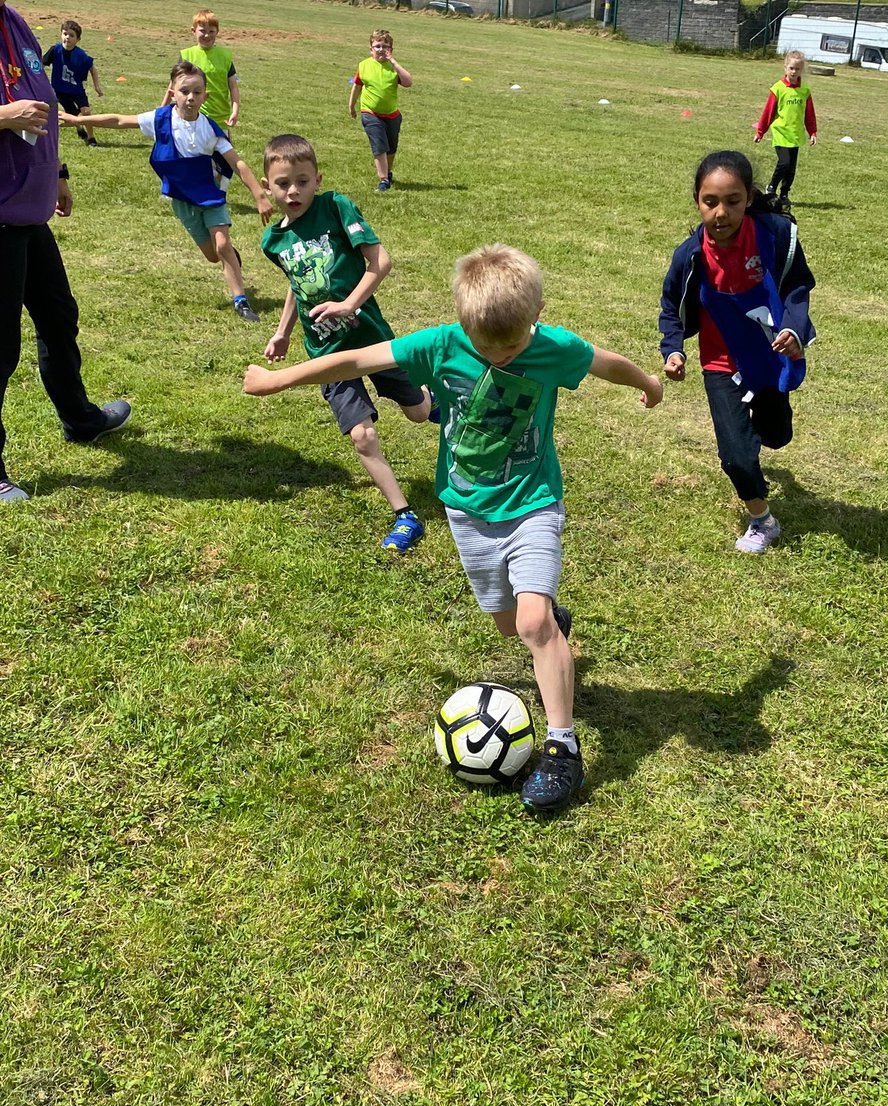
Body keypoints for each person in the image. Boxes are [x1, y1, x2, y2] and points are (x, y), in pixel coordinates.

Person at [244, 244, 663, 813]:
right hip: (466, 509)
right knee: (509, 625)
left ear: (536, 313)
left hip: (533, 500)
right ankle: (548, 628)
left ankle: (563, 748)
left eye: (510, 347)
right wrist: (277, 380)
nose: (500, 356)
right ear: (463, 323)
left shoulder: (552, 348)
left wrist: (648, 383)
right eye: (487, 348)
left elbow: (605, 362)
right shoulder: (440, 343)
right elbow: (355, 361)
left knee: (533, 622)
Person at [257, 134, 433, 553]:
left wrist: (349, 304)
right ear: (268, 187)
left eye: (302, 180)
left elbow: (380, 262)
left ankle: (434, 399)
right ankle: (405, 515)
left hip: (372, 341)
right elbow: (299, 285)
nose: (293, 190)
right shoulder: (273, 241)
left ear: (317, 179)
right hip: (327, 353)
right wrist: (283, 331)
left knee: (418, 412)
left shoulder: (336, 207)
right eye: (282, 183)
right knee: (362, 436)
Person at [0, 0, 130, 504]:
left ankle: (81, 420)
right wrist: (4, 115)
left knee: (58, 318)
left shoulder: (14, 22)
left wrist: (57, 173)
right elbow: (18, 109)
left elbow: (44, 103)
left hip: (29, 212)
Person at [659, 150, 816, 554]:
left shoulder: (775, 235)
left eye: (732, 200)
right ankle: (762, 520)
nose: (721, 212)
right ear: (697, 200)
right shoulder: (689, 255)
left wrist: (794, 330)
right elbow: (670, 308)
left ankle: (766, 430)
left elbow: (798, 286)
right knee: (735, 455)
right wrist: (673, 350)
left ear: (748, 198)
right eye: (710, 201)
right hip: (720, 362)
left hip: (767, 354)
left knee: (776, 436)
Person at [62, 61, 272, 322]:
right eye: (185, 91)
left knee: (222, 245)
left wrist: (259, 195)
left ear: (205, 95)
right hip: (182, 199)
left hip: (211, 195)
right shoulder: (160, 119)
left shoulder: (211, 130)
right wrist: (79, 119)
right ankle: (228, 257)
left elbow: (237, 163)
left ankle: (241, 301)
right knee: (212, 255)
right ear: (173, 93)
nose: (191, 98)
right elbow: (119, 120)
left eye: (197, 92)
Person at [754, 49, 817, 213]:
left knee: (791, 168)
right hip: (781, 132)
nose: (794, 72)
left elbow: (809, 114)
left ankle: (784, 194)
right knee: (784, 162)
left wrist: (812, 132)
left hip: (795, 134)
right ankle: (771, 187)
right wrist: (760, 132)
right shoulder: (778, 88)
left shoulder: (805, 90)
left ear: (801, 70)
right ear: (785, 68)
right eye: (791, 68)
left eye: (797, 69)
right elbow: (768, 112)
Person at [349, 29, 412, 193]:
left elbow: (408, 82)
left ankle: (388, 172)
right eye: (377, 46)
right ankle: (383, 180)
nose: (381, 49)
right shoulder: (364, 65)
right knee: (379, 146)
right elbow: (357, 86)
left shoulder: (393, 68)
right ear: (371, 49)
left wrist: (394, 63)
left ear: (391, 50)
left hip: (392, 115)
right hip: (370, 113)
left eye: (385, 46)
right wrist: (352, 106)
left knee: (391, 148)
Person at [162, 8, 239, 130]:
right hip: (191, 114)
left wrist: (235, 111)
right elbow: (172, 86)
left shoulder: (225, 56)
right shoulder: (187, 55)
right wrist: (162, 110)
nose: (207, 35)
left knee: (220, 148)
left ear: (217, 32)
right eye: (202, 31)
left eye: (211, 31)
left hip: (219, 116)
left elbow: (233, 87)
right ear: (194, 31)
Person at [41, 19, 102, 147]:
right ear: (61, 35)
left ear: (78, 39)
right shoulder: (55, 50)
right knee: (73, 115)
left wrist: (97, 86)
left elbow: (92, 68)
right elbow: (41, 65)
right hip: (60, 91)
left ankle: (91, 138)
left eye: (72, 35)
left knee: (86, 112)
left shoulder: (80, 55)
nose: (68, 37)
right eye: (65, 34)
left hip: (77, 90)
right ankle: (79, 128)